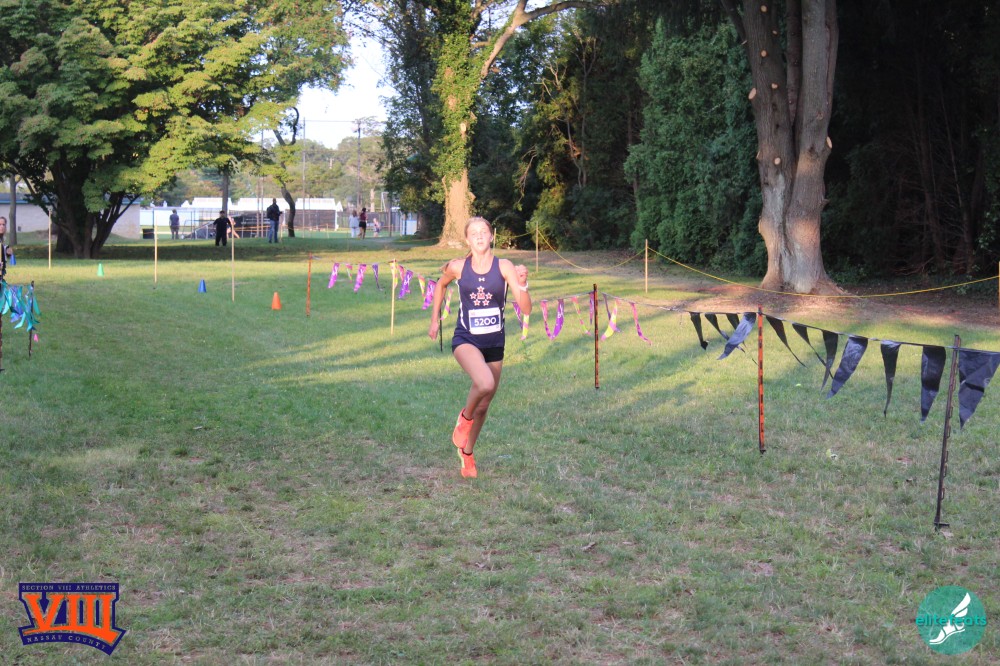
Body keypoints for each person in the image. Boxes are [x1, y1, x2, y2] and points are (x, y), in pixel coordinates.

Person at [428, 216, 531, 478]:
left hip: (495, 343)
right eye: (473, 233)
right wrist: (434, 320)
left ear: (491, 235)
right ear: (467, 240)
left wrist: (522, 283)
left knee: (484, 406)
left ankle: (468, 453)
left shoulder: (504, 266)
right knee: (484, 383)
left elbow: (526, 309)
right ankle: (464, 419)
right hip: (467, 339)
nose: (479, 236)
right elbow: (440, 285)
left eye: (483, 231)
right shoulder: (459, 267)